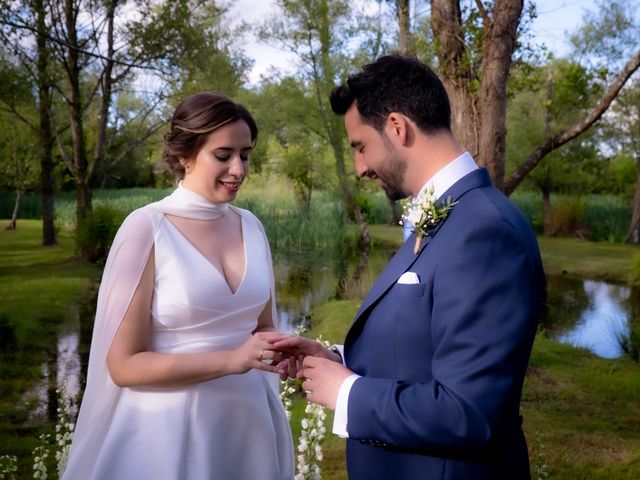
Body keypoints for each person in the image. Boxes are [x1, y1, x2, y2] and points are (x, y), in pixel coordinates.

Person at [273, 54, 546, 480]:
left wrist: (346, 392)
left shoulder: (485, 230)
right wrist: (334, 360)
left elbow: (469, 413)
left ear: (397, 127)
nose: (360, 167)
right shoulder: (440, 217)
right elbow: (420, 345)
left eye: (360, 147)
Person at [63, 92, 294, 480]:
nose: (238, 168)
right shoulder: (147, 228)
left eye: (246, 154)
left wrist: (287, 349)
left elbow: (263, 326)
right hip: (169, 430)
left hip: (248, 423)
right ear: (185, 154)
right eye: (223, 155)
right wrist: (233, 360)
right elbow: (123, 365)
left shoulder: (252, 226)